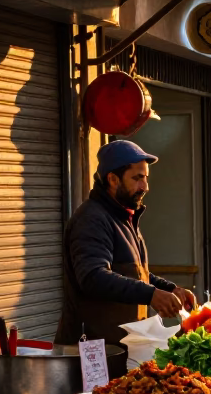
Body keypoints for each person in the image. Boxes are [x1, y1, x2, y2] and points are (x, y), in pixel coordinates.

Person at [57, 140, 197, 377]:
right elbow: (93, 277)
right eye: (137, 178)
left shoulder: (124, 218)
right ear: (112, 179)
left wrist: (169, 288)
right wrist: (151, 295)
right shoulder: (92, 219)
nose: (145, 186)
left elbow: (134, 274)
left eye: (146, 178)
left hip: (122, 350)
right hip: (94, 351)